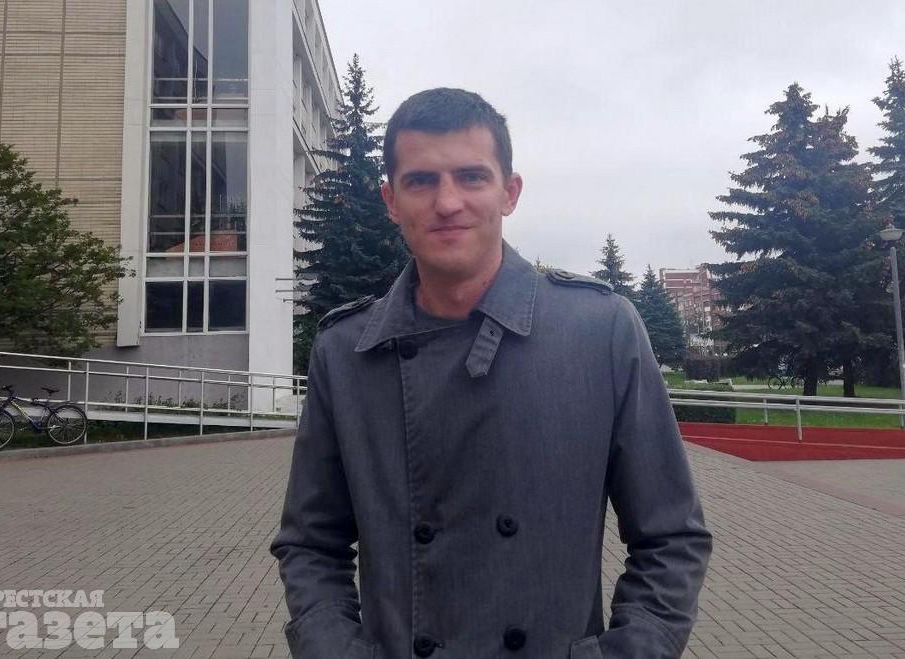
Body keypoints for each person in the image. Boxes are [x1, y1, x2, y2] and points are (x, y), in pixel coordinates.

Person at [270, 88, 712, 659]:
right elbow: (311, 545)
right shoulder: (346, 351)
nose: (447, 202)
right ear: (391, 200)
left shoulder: (600, 331)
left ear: (510, 192)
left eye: (472, 177)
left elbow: (671, 537)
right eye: (421, 181)